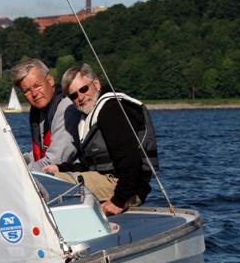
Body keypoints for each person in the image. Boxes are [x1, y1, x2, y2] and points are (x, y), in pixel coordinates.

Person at [42, 63, 157, 216]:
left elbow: (130, 161)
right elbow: (94, 165)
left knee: (48, 185)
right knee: (49, 177)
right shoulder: (95, 112)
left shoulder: (111, 110)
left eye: (83, 89)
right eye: (74, 96)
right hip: (111, 181)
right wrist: (62, 168)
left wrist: (119, 201)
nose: (81, 97)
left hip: (125, 188)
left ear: (96, 83)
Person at [11, 59, 82, 173]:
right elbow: (40, 152)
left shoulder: (67, 109)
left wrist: (22, 173)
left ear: (50, 80)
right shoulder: (40, 112)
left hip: (73, 177)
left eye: (37, 86)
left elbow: (56, 159)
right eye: (27, 91)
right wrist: (19, 162)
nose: (34, 94)